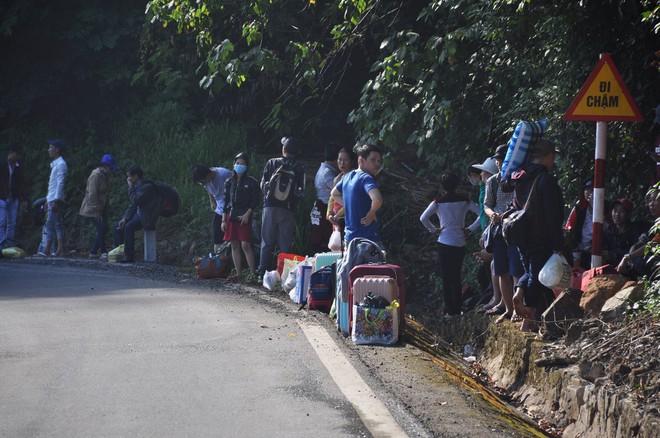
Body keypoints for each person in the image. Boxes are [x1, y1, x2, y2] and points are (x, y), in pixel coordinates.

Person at [509, 140, 565, 332]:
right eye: (553, 157)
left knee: (532, 272)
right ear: (549, 156)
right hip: (541, 237)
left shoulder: (519, 176)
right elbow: (552, 215)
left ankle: (519, 291)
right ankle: (529, 319)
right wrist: (558, 243)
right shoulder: (546, 180)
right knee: (537, 277)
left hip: (521, 235)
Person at [420, 173, 480, 317]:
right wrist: (470, 229)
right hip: (459, 242)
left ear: (443, 185)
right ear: (457, 184)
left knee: (447, 278)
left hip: (444, 242)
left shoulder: (438, 202)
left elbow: (423, 218)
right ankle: (458, 309)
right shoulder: (464, 201)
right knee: (456, 277)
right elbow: (482, 213)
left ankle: (450, 310)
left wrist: (434, 230)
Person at [483, 144, 524, 323]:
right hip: (498, 229)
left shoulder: (518, 178)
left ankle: (518, 309)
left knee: (516, 269)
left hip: (515, 228)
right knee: (501, 270)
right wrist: (492, 215)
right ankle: (508, 308)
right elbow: (487, 204)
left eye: (502, 160)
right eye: (498, 160)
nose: (499, 163)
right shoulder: (492, 182)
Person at [258, 137, 306, 273]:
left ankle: (262, 271)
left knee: (266, 241)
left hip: (270, 207)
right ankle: (284, 274)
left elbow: (263, 185)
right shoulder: (299, 168)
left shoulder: (272, 162)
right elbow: (301, 192)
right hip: (288, 209)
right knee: (285, 245)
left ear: (283, 149)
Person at [331, 144, 384, 248]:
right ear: (361, 160)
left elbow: (334, 194)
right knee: (378, 264)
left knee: (351, 265)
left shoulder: (347, 177)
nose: (377, 164)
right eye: (373, 160)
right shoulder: (366, 178)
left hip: (349, 239)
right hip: (368, 239)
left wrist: (349, 205)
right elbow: (377, 199)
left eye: (379, 161)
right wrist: (371, 213)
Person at [222, 152, 260, 280]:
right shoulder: (229, 182)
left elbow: (255, 201)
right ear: (234, 164)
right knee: (234, 244)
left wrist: (247, 215)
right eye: (238, 163)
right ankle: (238, 273)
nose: (239, 166)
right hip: (231, 215)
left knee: (245, 244)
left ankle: (253, 273)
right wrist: (223, 220)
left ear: (247, 166)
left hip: (245, 216)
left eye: (243, 164)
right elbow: (226, 201)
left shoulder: (252, 182)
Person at [113, 165, 161, 263]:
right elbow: (132, 205)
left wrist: (130, 187)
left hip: (147, 216)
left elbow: (136, 200)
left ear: (136, 176)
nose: (128, 179)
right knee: (117, 226)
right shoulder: (136, 187)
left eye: (129, 176)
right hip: (138, 214)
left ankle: (129, 256)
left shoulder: (147, 187)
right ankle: (119, 253)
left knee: (129, 227)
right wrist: (125, 218)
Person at [79, 154, 119, 258]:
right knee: (101, 227)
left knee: (103, 228)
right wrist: (96, 210)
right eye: (110, 167)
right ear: (105, 166)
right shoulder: (95, 175)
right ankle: (103, 251)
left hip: (102, 207)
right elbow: (92, 194)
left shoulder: (105, 175)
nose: (111, 170)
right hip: (92, 207)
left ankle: (93, 251)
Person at [616, 185, 660, 278]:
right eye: (650, 200)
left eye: (655, 200)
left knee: (640, 262)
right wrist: (629, 257)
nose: (651, 204)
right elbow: (641, 243)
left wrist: (628, 258)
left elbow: (652, 244)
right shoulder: (655, 224)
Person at [192, 163, 233, 253]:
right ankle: (218, 262)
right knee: (217, 237)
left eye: (203, 182)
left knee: (232, 237)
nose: (202, 184)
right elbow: (209, 189)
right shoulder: (205, 180)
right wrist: (212, 201)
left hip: (231, 208)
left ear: (209, 175)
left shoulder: (224, 174)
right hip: (219, 208)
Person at [39, 140, 68, 257]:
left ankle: (47, 249)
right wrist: (48, 199)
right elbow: (53, 185)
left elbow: (61, 183)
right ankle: (60, 249)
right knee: (57, 224)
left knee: (50, 223)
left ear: (57, 150)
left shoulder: (61, 164)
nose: (49, 149)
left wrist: (56, 200)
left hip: (56, 199)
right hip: (52, 198)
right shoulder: (56, 163)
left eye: (51, 147)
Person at [309, 146, 339, 254]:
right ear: (336, 160)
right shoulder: (327, 173)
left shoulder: (324, 170)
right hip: (326, 208)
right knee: (327, 240)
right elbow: (338, 190)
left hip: (325, 207)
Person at [326, 147, 357, 247]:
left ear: (352, 161)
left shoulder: (354, 178)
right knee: (336, 246)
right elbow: (332, 197)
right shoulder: (338, 178)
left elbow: (351, 201)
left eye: (345, 160)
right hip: (336, 219)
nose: (342, 163)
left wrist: (338, 215)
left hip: (347, 217)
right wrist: (329, 214)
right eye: (340, 160)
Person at [603, 198, 646, 267]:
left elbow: (636, 250)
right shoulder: (609, 229)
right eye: (615, 210)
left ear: (628, 214)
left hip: (628, 267)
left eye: (621, 211)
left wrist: (615, 254)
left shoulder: (635, 229)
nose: (617, 214)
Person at [0, 144, 28, 249]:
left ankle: (9, 241)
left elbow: (22, 183)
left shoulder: (18, 167)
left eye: (13, 153)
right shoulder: (2, 164)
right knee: (1, 221)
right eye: (10, 153)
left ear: (18, 156)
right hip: (2, 197)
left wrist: (24, 199)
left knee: (12, 222)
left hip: (13, 197)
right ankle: (2, 242)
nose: (10, 155)